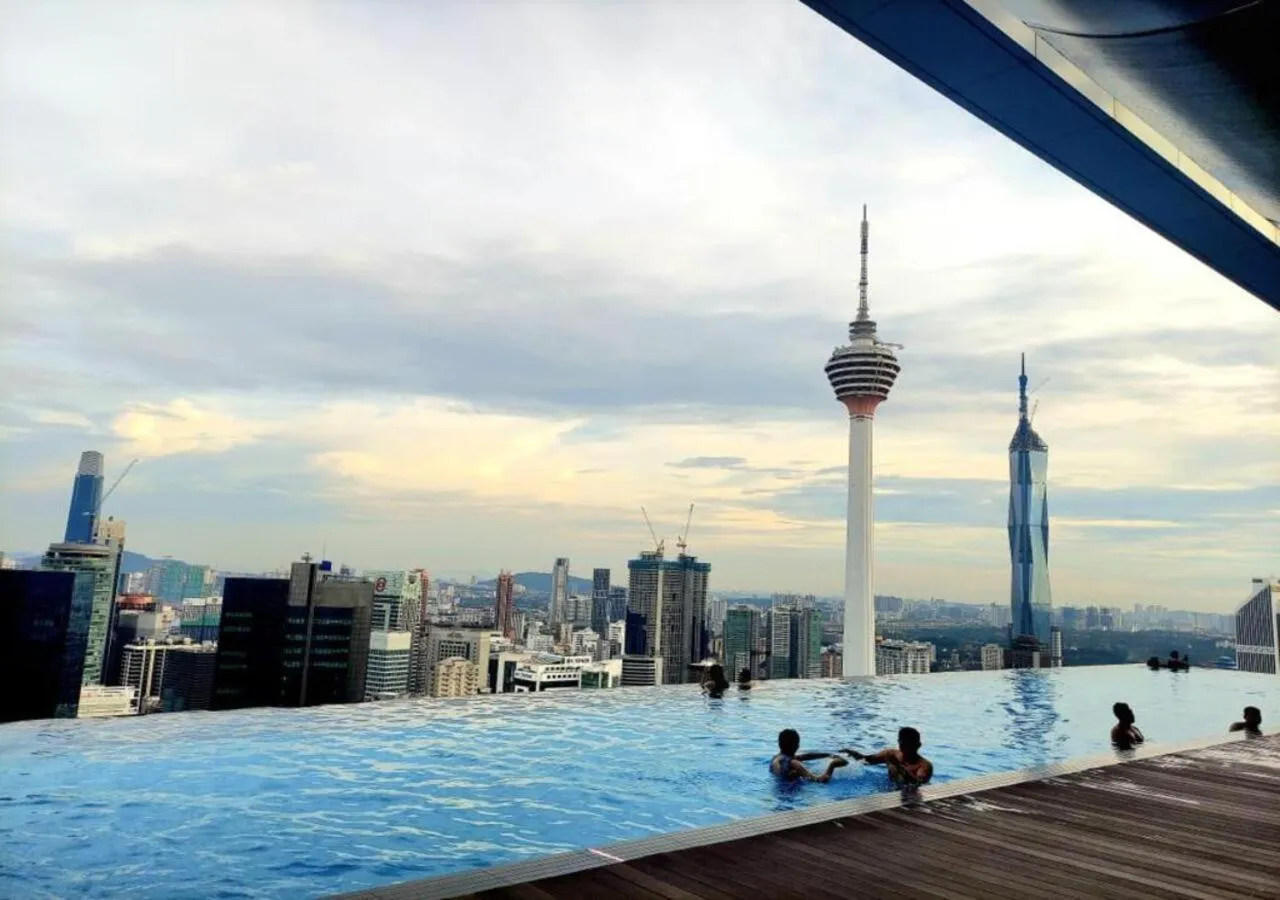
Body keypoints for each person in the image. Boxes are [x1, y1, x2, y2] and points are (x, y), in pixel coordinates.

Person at [842, 727, 933, 786]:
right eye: (902, 743)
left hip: (910, 798)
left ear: (918, 745)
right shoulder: (890, 754)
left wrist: (899, 766)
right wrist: (854, 754)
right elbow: (867, 760)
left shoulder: (924, 766)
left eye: (908, 745)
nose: (904, 747)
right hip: (889, 790)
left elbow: (919, 784)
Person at [770, 729, 848, 782]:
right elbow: (820, 780)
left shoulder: (775, 759)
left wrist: (828, 755)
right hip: (792, 794)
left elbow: (804, 757)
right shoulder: (795, 763)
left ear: (779, 744)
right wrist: (833, 765)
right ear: (797, 746)